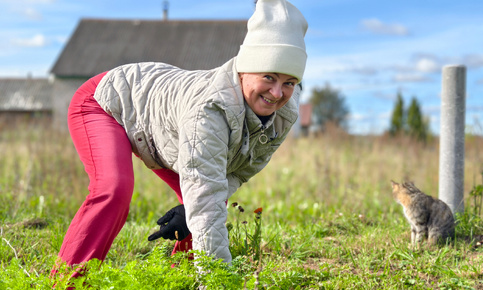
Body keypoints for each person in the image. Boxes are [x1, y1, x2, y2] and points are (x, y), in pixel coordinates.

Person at [55, 0, 308, 272]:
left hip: (161, 124)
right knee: (115, 190)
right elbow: (206, 199)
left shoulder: (283, 115)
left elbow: (236, 173)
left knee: (204, 201)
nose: (278, 93)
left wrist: (191, 210)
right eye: (268, 77)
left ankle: (180, 276)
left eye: (289, 82)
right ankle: (68, 281)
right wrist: (219, 282)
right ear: (244, 69)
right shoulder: (210, 110)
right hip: (106, 102)